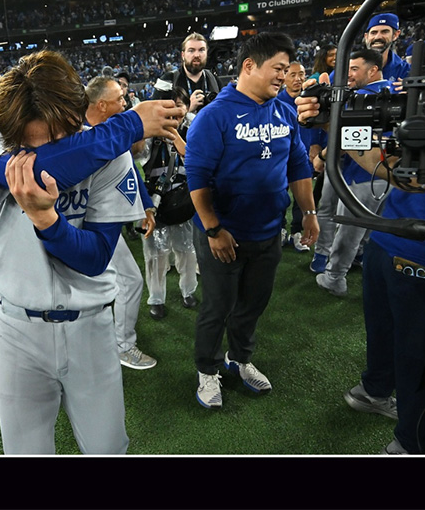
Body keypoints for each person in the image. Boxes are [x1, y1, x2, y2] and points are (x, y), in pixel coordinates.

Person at [0, 50, 181, 454]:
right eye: (30, 143)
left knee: (108, 450)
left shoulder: (109, 154)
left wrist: (49, 223)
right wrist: (131, 123)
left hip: (91, 327)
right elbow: (39, 171)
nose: (44, 147)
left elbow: (95, 257)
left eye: (57, 136)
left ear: (77, 115)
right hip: (17, 329)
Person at [184, 32, 319, 409]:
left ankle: (239, 359)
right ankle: (207, 370)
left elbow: (298, 165)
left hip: (268, 232)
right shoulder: (214, 116)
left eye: (287, 69)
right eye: (278, 69)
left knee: (254, 303)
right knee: (218, 306)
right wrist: (213, 228)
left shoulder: (284, 110)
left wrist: (307, 213)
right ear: (249, 66)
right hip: (223, 233)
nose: (284, 76)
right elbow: (198, 177)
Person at [295, 92, 425, 455]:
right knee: (414, 351)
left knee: (395, 338)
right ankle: (411, 442)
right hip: (410, 245)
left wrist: (337, 124)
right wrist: (333, 119)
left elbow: (405, 175)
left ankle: (375, 392)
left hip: (394, 238)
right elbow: (403, 174)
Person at [84, 75, 157, 370]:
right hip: (86, 226)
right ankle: (122, 346)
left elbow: (128, 171)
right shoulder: (78, 136)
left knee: (116, 282)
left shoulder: (111, 131)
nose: (125, 104)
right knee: (128, 280)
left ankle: (113, 341)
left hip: (104, 223)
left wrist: (146, 205)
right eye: (120, 100)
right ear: (102, 105)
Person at [310, 49, 391, 296]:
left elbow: (347, 140)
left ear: (373, 70)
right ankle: (351, 257)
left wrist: (322, 157)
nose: (348, 75)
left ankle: (334, 277)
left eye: (354, 69)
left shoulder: (365, 97)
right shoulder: (396, 93)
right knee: (365, 227)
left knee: (349, 228)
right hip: (386, 177)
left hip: (360, 175)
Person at [136, 86, 199, 320]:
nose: (176, 110)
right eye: (169, 105)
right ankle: (156, 298)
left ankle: (188, 291)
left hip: (183, 200)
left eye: (180, 104)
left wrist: (176, 134)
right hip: (156, 202)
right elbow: (136, 155)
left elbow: (197, 157)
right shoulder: (150, 135)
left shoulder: (194, 128)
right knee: (155, 255)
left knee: (186, 250)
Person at [276, 60, 317, 252]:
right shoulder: (275, 102)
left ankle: (297, 231)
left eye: (301, 74)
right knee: (280, 194)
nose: (298, 79)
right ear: (283, 77)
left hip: (305, 156)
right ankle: (281, 228)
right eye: (292, 74)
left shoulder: (311, 99)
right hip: (282, 158)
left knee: (303, 194)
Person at [152, 32, 221, 112]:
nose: (196, 55)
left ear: (206, 53)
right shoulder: (167, 81)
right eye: (191, 51)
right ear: (183, 55)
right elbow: (156, 117)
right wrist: (188, 110)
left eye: (201, 50)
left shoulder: (215, 80)